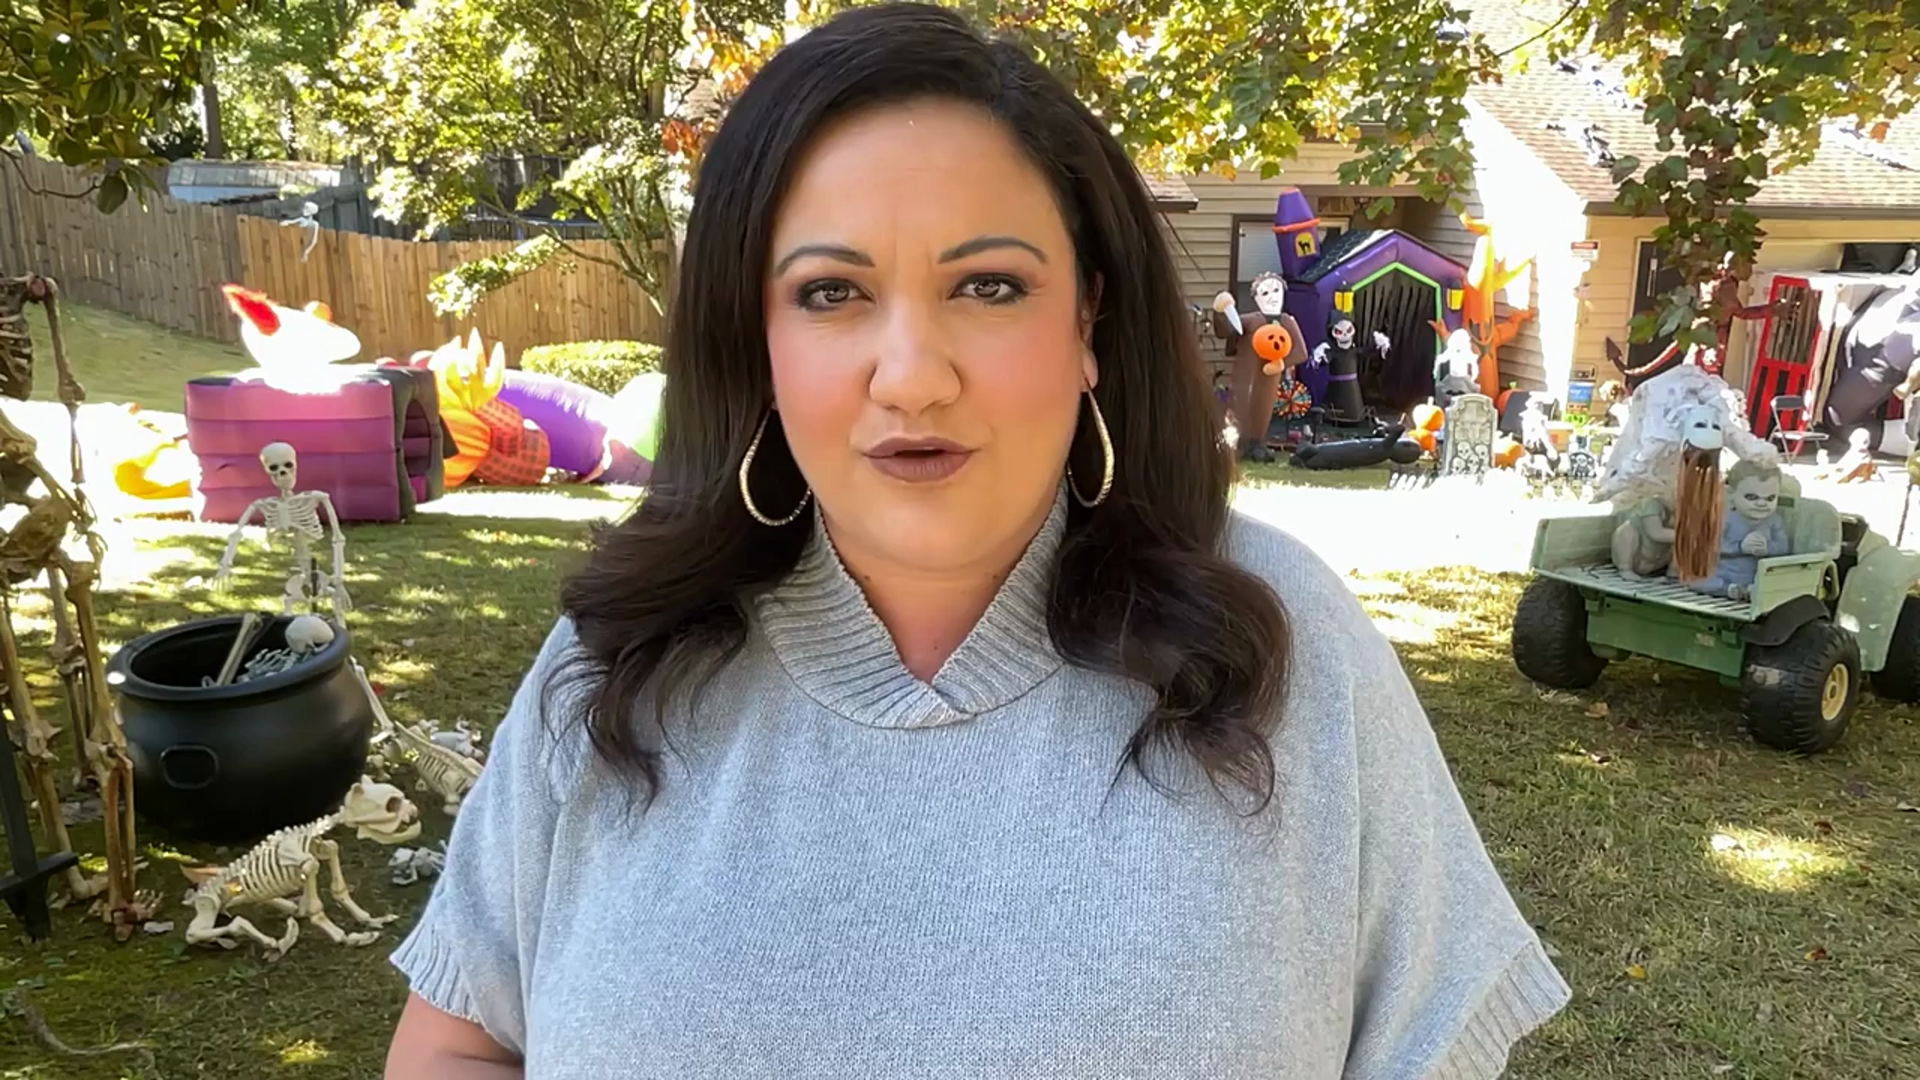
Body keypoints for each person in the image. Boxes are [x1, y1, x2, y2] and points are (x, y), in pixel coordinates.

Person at [383, 4, 1570, 1076]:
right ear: (757, 336)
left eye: (989, 286)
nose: (911, 376)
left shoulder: (1288, 646)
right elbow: (461, 1042)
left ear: (1087, 315)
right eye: (831, 293)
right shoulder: (617, 664)